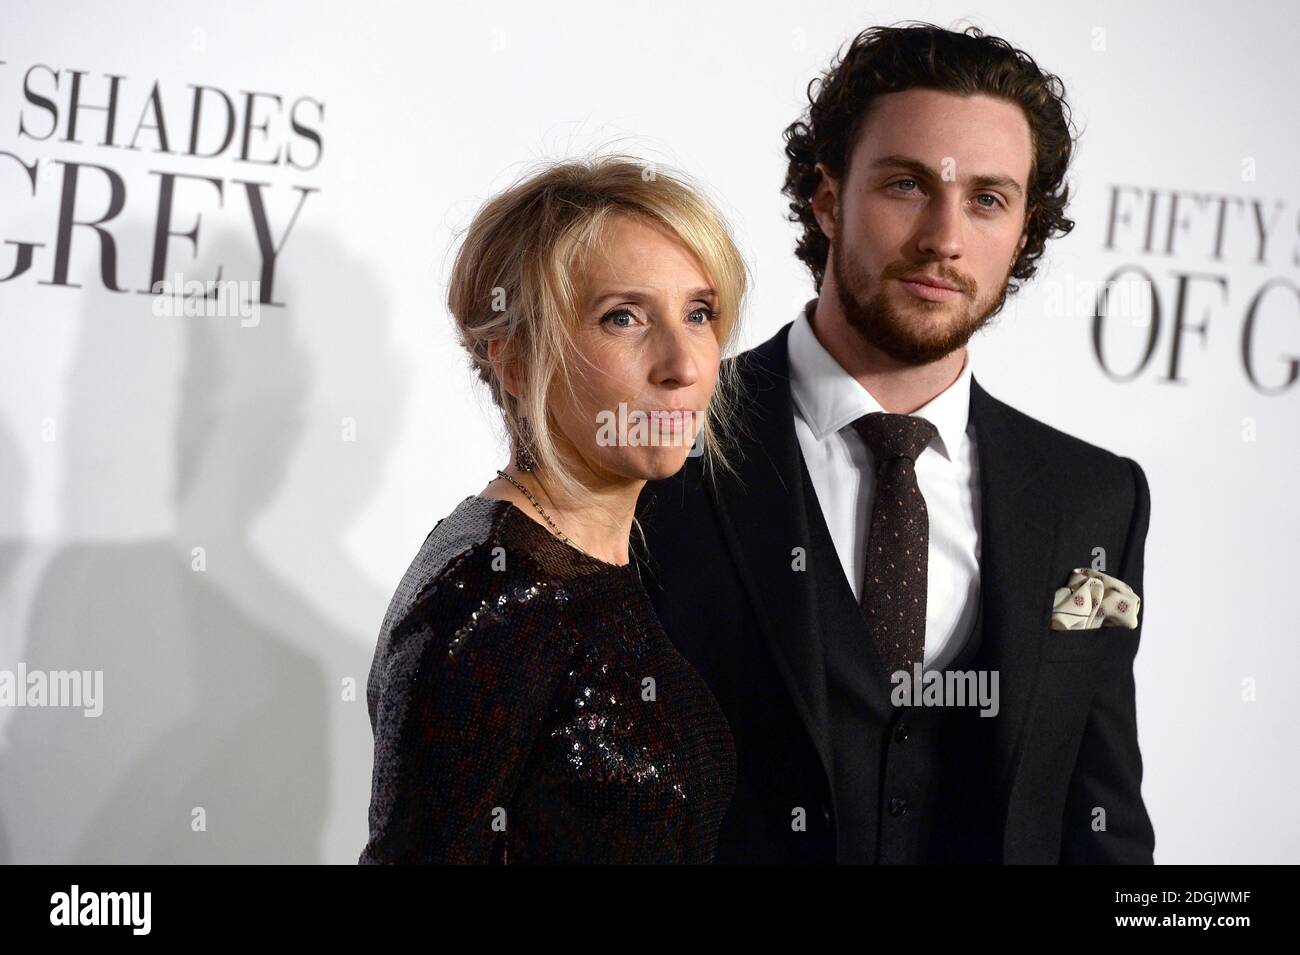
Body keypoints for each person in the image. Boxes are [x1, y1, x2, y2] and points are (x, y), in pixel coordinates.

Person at [636, 22, 1156, 863]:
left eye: (988, 198)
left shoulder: (1095, 496)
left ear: (1025, 230)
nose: (944, 238)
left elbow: (1101, 820)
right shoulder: (668, 439)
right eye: (908, 185)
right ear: (828, 194)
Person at [360, 156, 747, 863]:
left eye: (699, 313)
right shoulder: (492, 593)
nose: (682, 363)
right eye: (623, 317)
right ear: (515, 361)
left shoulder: (594, 559)